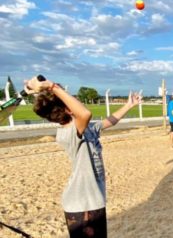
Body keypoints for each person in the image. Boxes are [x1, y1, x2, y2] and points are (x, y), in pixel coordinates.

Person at [25, 76, 142, 238]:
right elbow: (85, 113)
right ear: (69, 110)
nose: (77, 101)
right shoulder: (68, 133)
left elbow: (109, 122)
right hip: (82, 205)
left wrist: (129, 105)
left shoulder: (85, 128)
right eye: (73, 100)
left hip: (92, 201)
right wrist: (51, 86)